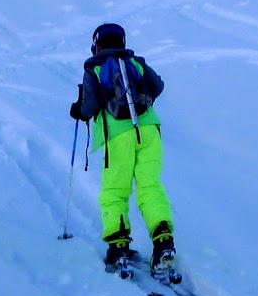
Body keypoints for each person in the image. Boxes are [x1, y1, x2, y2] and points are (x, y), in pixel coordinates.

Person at [70, 22, 177, 274]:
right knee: (150, 187)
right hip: (149, 130)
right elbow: (158, 86)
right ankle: (164, 243)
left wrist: (78, 109)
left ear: (97, 44)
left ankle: (118, 248)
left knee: (115, 190)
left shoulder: (93, 67)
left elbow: (89, 107)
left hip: (118, 136)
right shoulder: (135, 62)